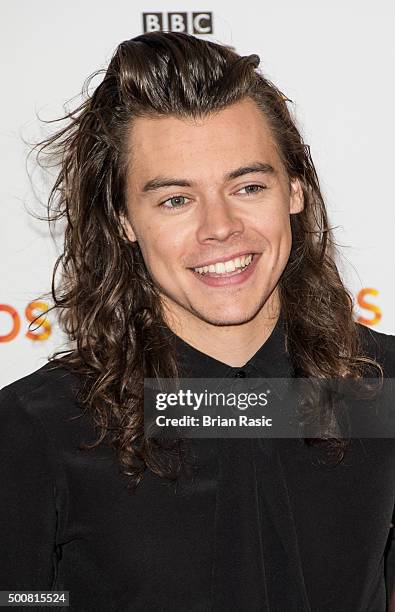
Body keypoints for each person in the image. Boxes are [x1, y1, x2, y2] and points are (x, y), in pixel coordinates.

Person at [0, 31, 394, 612]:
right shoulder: (40, 429)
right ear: (123, 221)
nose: (220, 226)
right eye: (175, 199)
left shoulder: (380, 389)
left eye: (249, 186)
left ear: (295, 190)